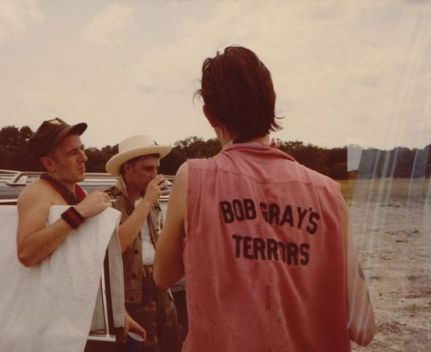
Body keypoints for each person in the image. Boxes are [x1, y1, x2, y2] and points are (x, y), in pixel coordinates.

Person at [154, 46, 376, 351]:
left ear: (209, 115)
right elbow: (363, 327)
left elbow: (164, 276)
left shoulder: (193, 178)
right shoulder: (328, 192)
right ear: (270, 104)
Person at [16, 117, 145, 344]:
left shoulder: (78, 193)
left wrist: (118, 313)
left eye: (82, 149)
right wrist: (79, 213)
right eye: (72, 153)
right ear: (49, 164)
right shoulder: (37, 193)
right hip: (55, 329)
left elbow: (94, 261)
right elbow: (27, 252)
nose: (84, 158)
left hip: (81, 324)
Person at [105, 135, 181, 352]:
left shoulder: (154, 203)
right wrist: (146, 202)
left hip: (159, 286)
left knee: (171, 344)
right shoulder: (108, 201)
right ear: (128, 169)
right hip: (130, 294)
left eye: (157, 168)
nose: (155, 174)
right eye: (148, 169)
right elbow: (116, 245)